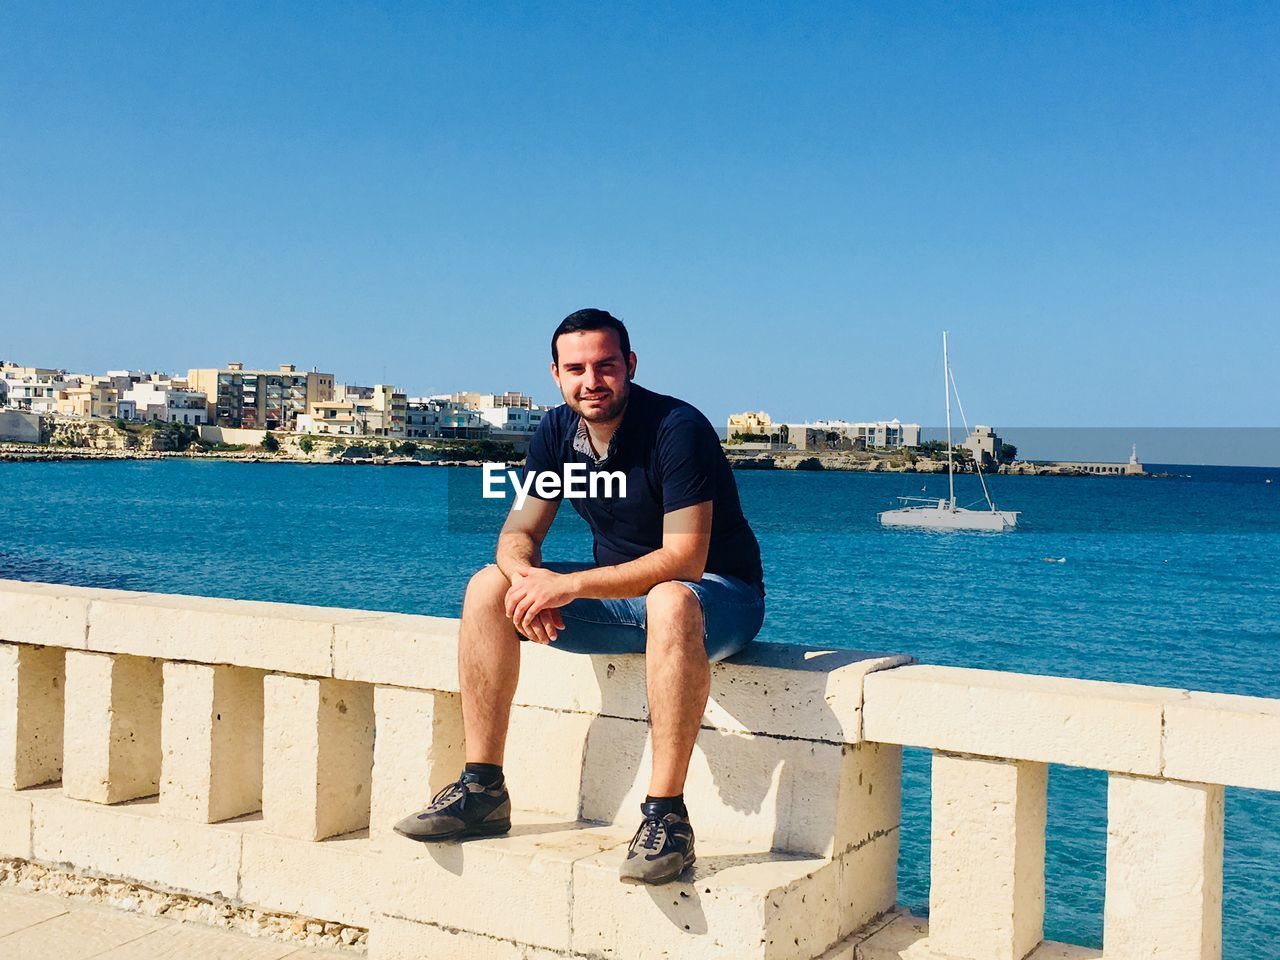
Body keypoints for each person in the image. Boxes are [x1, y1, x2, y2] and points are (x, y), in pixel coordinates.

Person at [393, 308, 765, 885]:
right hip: (626, 600)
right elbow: (516, 536)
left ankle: (667, 818)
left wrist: (564, 586)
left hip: (718, 598)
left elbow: (683, 562)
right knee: (488, 586)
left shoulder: (677, 429)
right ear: (557, 375)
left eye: (605, 365)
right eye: (576, 369)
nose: (592, 380)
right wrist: (527, 586)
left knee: (670, 597)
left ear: (630, 366)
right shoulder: (557, 432)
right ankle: (482, 787)